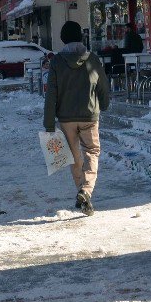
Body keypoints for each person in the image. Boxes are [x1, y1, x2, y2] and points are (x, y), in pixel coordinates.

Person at [43, 21, 110, 216]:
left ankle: (81, 191)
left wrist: (48, 122)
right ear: (81, 37)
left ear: (63, 39)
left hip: (66, 118)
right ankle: (86, 190)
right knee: (92, 152)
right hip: (89, 115)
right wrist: (104, 104)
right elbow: (103, 86)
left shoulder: (56, 62)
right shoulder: (93, 59)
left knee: (74, 157)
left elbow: (51, 94)